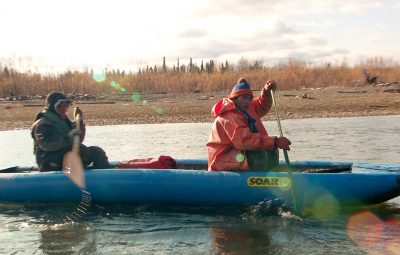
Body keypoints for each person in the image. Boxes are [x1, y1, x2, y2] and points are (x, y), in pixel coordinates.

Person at [207, 78, 291, 171]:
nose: (247, 101)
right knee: (258, 154)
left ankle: (271, 178)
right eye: (243, 98)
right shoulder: (230, 115)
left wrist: (266, 92)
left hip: (236, 154)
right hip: (221, 160)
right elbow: (244, 141)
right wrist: (274, 141)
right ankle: (260, 181)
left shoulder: (243, 109)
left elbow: (261, 105)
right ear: (235, 99)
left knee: (272, 150)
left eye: (249, 98)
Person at [31, 92, 111, 171]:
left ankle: (105, 176)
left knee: (96, 152)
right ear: (52, 106)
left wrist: (79, 122)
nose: (64, 108)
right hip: (49, 160)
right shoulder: (42, 124)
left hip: (66, 155)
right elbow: (46, 144)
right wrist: (68, 137)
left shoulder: (63, 120)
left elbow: (78, 140)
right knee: (80, 153)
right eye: (60, 105)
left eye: (66, 105)